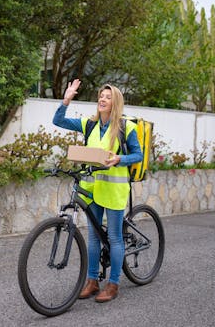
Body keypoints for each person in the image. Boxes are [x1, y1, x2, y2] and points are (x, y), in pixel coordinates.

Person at [52, 79, 143, 303]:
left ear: (115, 103)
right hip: (92, 188)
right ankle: (92, 281)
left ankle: (113, 284)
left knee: (113, 236)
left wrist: (120, 159)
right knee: (93, 236)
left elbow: (138, 155)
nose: (102, 99)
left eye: (107, 97)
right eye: (101, 96)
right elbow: (58, 120)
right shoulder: (90, 124)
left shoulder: (125, 126)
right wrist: (67, 99)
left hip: (113, 188)